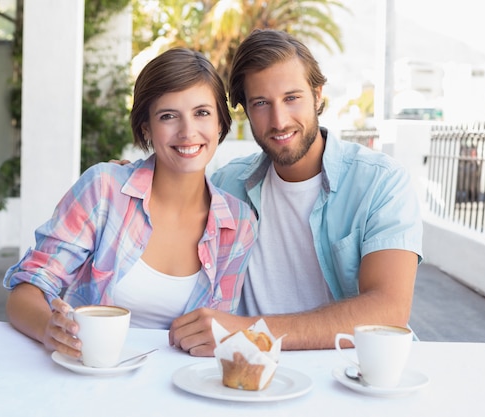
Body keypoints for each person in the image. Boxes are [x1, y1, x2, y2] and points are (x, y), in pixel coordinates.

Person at [168, 29, 423, 356]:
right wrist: (133, 175)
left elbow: (388, 313)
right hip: (246, 374)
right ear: (245, 110)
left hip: (348, 373)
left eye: (292, 98)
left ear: (317, 96)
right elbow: (161, 213)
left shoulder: (380, 183)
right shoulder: (225, 186)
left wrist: (248, 333)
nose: (279, 120)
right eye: (261, 103)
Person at [3, 48, 258, 359]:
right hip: (89, 373)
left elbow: (214, 334)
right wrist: (49, 329)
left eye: (202, 113)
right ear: (146, 128)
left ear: (220, 123)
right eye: (168, 116)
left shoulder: (238, 223)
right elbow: (26, 291)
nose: (188, 131)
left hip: (180, 385)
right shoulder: (104, 189)